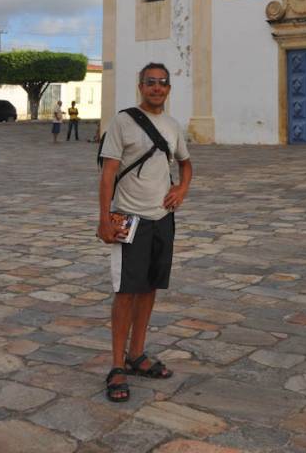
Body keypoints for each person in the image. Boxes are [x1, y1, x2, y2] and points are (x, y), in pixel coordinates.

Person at [97, 62, 192, 403]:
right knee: (126, 292)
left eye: (162, 83)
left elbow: (186, 163)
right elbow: (108, 173)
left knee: (150, 287)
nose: (157, 88)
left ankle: (137, 354)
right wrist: (104, 218)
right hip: (130, 219)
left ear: (168, 89)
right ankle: (116, 365)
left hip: (162, 219)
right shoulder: (122, 122)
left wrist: (181, 189)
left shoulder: (173, 125)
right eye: (150, 82)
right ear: (141, 86)